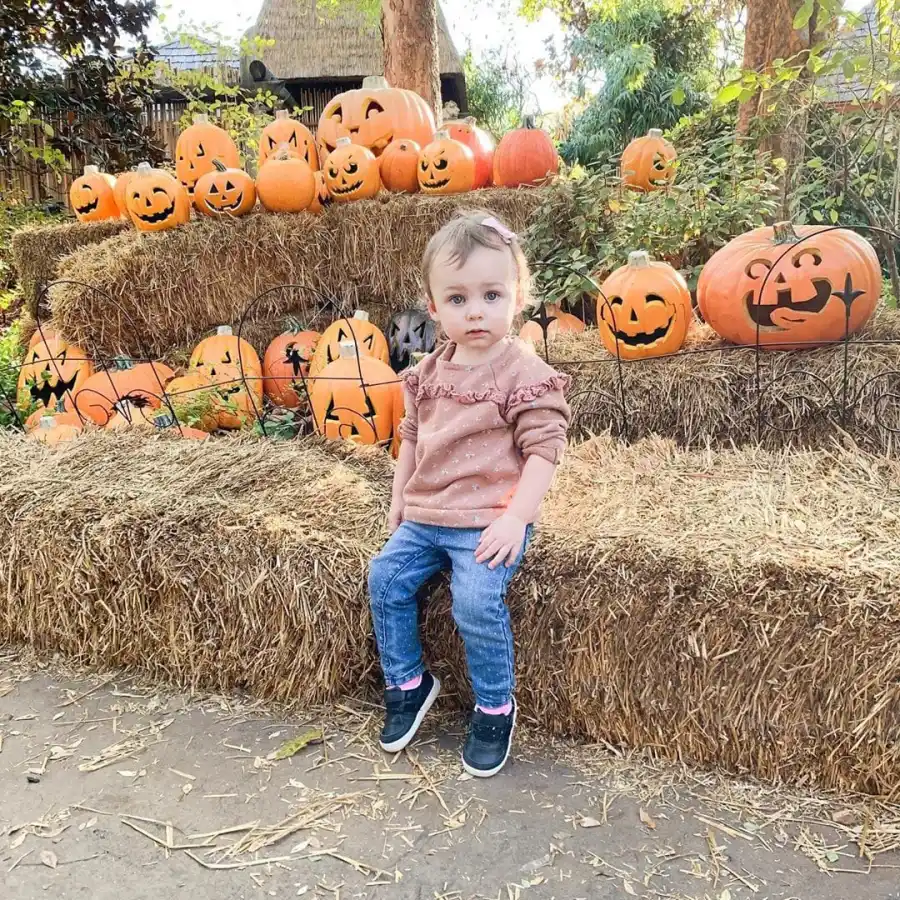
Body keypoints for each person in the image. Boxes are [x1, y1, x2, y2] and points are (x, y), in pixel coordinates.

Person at [367, 210, 571, 777]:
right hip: (427, 512)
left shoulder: (521, 372)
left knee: (476, 601)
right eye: (456, 299)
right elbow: (409, 436)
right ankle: (408, 682)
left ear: (517, 297)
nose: (475, 310)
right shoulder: (428, 371)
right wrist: (399, 498)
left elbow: (544, 450)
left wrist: (515, 521)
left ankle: (494, 705)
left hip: (487, 519)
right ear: (432, 309)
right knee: (384, 578)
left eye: (490, 294)